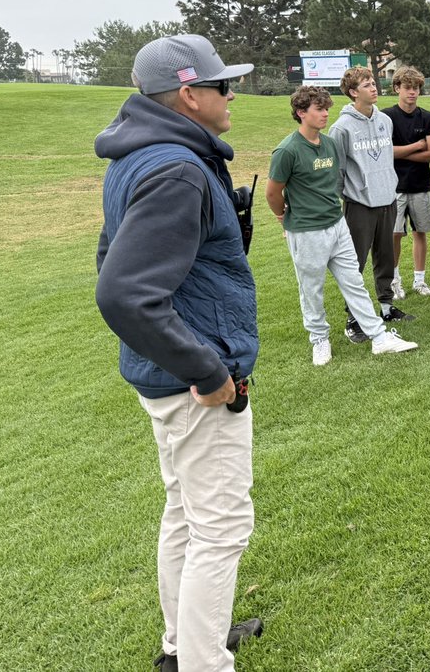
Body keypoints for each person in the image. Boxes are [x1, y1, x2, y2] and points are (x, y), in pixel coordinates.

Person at [95, 33, 264, 670]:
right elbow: (125, 292)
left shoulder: (145, 153)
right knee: (220, 526)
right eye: (223, 85)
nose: (232, 94)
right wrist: (207, 370)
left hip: (164, 374)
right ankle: (201, 661)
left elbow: (111, 256)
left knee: (186, 512)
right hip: (193, 383)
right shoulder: (175, 168)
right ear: (189, 94)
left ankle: (185, 645)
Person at [266, 86, 418, 365]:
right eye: (318, 109)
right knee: (311, 289)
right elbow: (273, 193)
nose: (325, 114)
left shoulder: (329, 144)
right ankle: (319, 340)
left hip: (337, 226)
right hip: (306, 231)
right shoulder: (287, 150)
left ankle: (378, 337)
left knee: (354, 282)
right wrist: (282, 219)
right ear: (301, 113)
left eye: (326, 108)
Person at [328, 66, 413, 345]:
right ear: (353, 92)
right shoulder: (341, 128)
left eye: (374, 83)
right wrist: (351, 197)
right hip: (359, 205)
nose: (374, 87)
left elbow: (386, 160)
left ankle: (386, 307)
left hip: (387, 200)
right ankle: (353, 317)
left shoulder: (385, 121)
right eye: (367, 85)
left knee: (386, 257)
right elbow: (337, 171)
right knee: (355, 263)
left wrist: (388, 188)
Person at [382, 66, 430, 298]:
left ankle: (419, 280)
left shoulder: (427, 117)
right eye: (407, 88)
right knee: (394, 234)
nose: (412, 92)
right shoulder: (386, 117)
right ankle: (395, 280)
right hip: (393, 187)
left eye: (416, 88)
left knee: (420, 233)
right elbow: (385, 153)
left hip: (420, 185)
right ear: (397, 89)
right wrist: (416, 146)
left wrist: (400, 152)